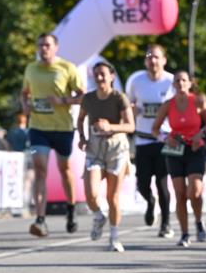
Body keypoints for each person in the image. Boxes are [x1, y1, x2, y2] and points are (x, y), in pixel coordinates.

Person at [21, 32, 84, 237]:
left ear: (56, 47)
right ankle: (40, 219)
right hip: (38, 127)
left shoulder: (67, 68)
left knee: (64, 170)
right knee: (40, 170)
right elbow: (24, 93)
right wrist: (25, 106)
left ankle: (71, 209)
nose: (43, 49)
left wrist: (63, 101)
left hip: (63, 128)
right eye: (40, 45)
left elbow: (83, 96)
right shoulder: (31, 68)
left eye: (47, 45)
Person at [151, 69, 206, 248]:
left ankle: (199, 221)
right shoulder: (167, 105)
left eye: (183, 80)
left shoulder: (198, 101)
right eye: (177, 81)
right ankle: (185, 233)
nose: (180, 84)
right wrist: (166, 138)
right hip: (175, 150)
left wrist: (201, 133)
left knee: (194, 191)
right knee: (180, 193)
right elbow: (155, 129)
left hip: (195, 149)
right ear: (173, 84)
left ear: (190, 83)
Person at [77, 59, 134, 253]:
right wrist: (82, 137)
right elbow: (80, 119)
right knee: (91, 193)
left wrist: (110, 127)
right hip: (94, 148)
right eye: (96, 75)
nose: (100, 78)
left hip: (116, 149)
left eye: (103, 74)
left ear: (112, 76)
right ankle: (99, 216)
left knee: (113, 196)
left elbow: (130, 126)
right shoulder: (89, 98)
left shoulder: (119, 98)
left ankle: (114, 237)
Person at [125, 44, 175, 238]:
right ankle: (150, 202)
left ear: (164, 60)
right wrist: (132, 110)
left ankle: (166, 224)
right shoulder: (136, 80)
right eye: (149, 57)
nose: (152, 61)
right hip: (143, 139)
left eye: (156, 57)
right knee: (142, 183)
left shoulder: (171, 81)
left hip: (163, 139)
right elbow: (128, 104)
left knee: (163, 183)